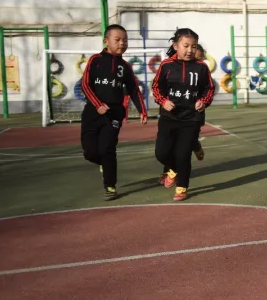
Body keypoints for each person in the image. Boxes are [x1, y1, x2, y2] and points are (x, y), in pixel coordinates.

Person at [80, 24, 148, 201]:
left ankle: (110, 186)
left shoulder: (125, 66)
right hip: (92, 113)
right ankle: (103, 163)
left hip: (114, 114)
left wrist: (142, 110)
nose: (122, 43)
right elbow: (85, 85)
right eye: (117, 40)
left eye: (125, 40)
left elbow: (133, 89)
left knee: (107, 148)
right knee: (90, 153)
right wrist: (97, 104)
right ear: (106, 41)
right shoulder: (95, 60)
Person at [152, 28, 215, 201]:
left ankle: (182, 187)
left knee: (182, 154)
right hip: (168, 117)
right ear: (176, 46)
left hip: (191, 118)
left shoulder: (201, 67)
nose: (190, 50)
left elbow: (209, 88)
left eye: (193, 47)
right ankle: (173, 169)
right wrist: (163, 101)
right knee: (161, 153)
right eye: (186, 46)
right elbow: (156, 87)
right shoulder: (166, 65)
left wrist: (204, 101)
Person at [192, 43, 207, 161]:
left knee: (191, 136)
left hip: (197, 110)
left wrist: (204, 101)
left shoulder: (203, 70)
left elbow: (209, 89)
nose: (198, 60)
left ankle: (196, 146)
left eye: (200, 57)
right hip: (180, 111)